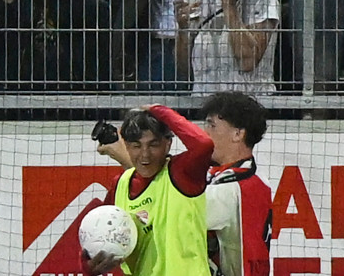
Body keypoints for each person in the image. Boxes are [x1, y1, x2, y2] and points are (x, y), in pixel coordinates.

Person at [92, 104, 215, 275]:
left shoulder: (183, 173)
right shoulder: (121, 184)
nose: (145, 155)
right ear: (126, 146)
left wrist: (160, 110)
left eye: (153, 145)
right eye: (136, 146)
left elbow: (204, 144)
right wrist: (89, 267)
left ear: (168, 144)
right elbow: (96, 236)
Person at [202, 89, 274, 276]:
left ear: (238, 134)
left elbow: (174, 215)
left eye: (212, 125)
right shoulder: (255, 178)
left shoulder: (229, 189)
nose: (204, 132)